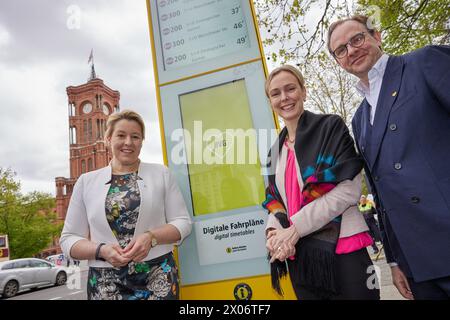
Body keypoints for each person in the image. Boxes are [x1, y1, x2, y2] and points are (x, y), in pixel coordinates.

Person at [328, 15, 450, 299]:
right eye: (341, 50)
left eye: (356, 39)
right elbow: (381, 195)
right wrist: (395, 261)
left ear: (377, 36)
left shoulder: (423, 63)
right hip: (418, 263)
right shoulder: (358, 119)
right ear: (338, 61)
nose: (351, 50)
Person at [262, 65, 379, 300]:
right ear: (270, 101)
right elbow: (275, 202)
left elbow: (349, 190)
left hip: (343, 247)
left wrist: (295, 229)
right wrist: (274, 234)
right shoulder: (273, 152)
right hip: (299, 256)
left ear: (304, 92)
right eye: (275, 93)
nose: (284, 98)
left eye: (290, 89)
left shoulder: (331, 127)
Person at [60, 110, 192, 300]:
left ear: (142, 142)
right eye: (121, 135)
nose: (128, 142)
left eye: (135, 136)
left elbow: (183, 223)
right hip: (105, 285)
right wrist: (101, 250)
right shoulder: (86, 182)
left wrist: (151, 237)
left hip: (158, 278)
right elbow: (68, 239)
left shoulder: (161, 174)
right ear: (108, 139)